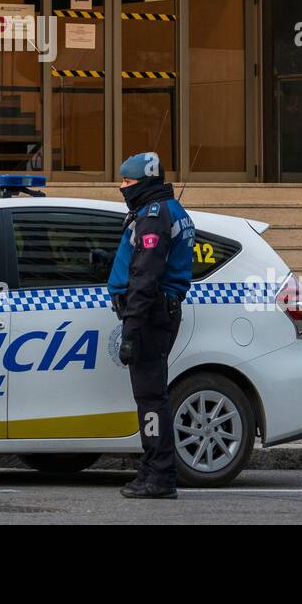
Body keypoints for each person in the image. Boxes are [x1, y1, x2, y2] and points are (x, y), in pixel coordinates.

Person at [107, 151, 194, 498]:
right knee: (152, 395)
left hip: (150, 315)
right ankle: (153, 467)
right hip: (158, 312)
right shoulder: (168, 211)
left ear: (143, 183)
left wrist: (131, 328)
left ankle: (159, 475)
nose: (122, 187)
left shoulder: (154, 216)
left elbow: (146, 277)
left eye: (127, 182)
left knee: (150, 397)